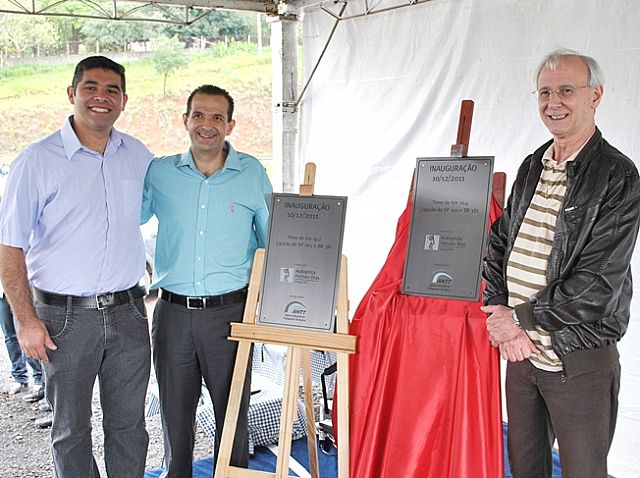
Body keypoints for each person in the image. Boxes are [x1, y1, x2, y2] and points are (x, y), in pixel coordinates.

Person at [481, 49, 640, 478]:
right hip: (522, 358)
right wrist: (498, 309)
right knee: (526, 471)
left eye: (567, 90)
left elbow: (597, 286)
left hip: (579, 361)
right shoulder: (533, 165)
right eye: (545, 92)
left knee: (584, 473)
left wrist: (518, 319)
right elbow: (498, 243)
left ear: (596, 95)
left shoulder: (617, 176)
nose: (554, 102)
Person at [0, 56, 153, 477]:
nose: (101, 97)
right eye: (91, 87)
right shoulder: (36, 161)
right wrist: (25, 320)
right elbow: (8, 246)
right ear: (72, 93)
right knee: (70, 430)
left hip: (129, 312)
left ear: (123, 99)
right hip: (62, 318)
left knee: (129, 427)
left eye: (112, 90)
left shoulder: (138, 155)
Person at [142, 84, 272, 476]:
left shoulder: (251, 173)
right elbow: (126, 218)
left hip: (232, 313)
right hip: (173, 313)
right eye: (199, 115)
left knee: (232, 414)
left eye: (217, 117)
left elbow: (272, 243)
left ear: (230, 125)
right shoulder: (160, 172)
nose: (207, 125)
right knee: (174, 413)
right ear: (185, 120)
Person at [1, 282, 42, 395]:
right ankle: (19, 377)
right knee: (9, 337)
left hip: (20, 292)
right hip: (2, 294)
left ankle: (39, 377)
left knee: (25, 336)